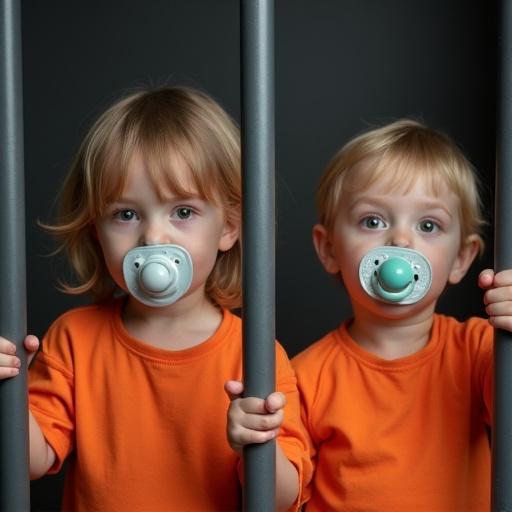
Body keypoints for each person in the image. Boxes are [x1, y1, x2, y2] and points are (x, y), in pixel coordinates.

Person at [0, 86, 310, 511]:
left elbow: (283, 497)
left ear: (228, 228)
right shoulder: (74, 339)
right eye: (126, 214)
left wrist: (255, 446)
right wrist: (8, 391)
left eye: (183, 212)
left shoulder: (255, 354)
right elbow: (32, 462)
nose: (153, 237)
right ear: (96, 229)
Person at [291, 119, 509, 511]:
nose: (400, 242)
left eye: (428, 225)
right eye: (372, 221)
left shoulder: (479, 351)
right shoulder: (306, 376)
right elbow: (279, 495)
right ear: (328, 250)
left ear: (461, 258)